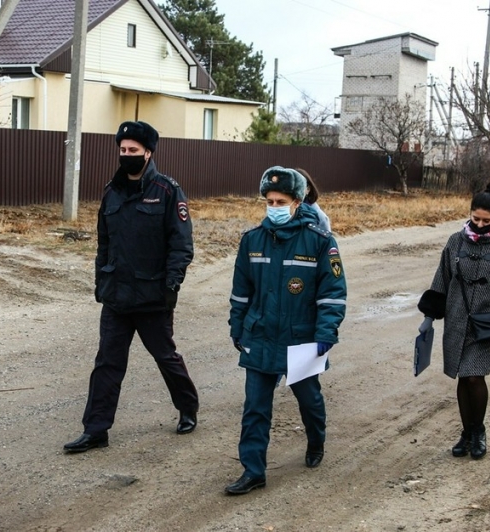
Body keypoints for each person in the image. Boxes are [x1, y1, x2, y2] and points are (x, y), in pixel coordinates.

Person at [63, 121, 199, 453]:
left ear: (148, 153)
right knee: (107, 364)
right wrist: (101, 281)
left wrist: (171, 286)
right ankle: (96, 430)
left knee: (166, 357)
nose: (126, 156)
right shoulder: (112, 191)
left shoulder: (167, 191)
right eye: (122, 150)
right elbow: (104, 243)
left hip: (153, 297)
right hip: (117, 298)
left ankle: (188, 408)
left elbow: (181, 245)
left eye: (133, 151)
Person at [225, 166, 347, 494]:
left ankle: (316, 442)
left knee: (309, 401)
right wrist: (238, 327)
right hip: (260, 337)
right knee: (254, 409)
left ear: (297, 201)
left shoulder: (321, 243)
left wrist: (325, 336)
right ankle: (253, 470)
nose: (274, 207)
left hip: (303, 339)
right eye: (269, 201)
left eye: (281, 201)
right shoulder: (252, 241)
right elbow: (241, 291)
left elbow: (332, 295)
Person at [417, 181, 490, 460]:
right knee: (462, 375)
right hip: (458, 320)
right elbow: (442, 278)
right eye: (476, 219)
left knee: (473, 375)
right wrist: (429, 316)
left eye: (487, 220)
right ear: (469, 213)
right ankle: (467, 432)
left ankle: (478, 430)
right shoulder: (455, 241)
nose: (481, 224)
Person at [296, 167, 331, 232]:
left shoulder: (319, 216)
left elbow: (326, 240)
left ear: (308, 189)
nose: (294, 191)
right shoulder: (283, 211)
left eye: (299, 187)